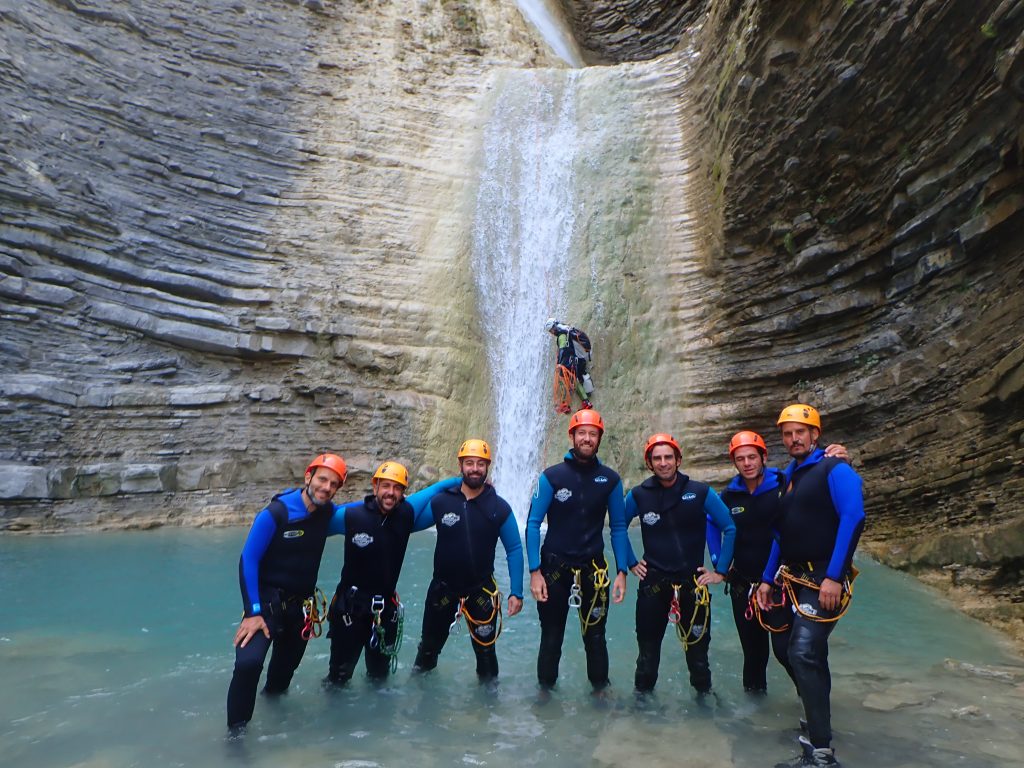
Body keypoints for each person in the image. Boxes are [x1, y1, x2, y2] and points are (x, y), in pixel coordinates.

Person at [756, 405, 864, 768]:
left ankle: (821, 753)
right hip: (793, 577)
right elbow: (780, 535)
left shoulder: (836, 468)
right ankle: (816, 721)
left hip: (823, 578)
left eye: (801, 431)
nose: (794, 438)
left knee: (803, 652)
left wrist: (833, 576)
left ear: (816, 435)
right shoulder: (789, 476)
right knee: (787, 649)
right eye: (787, 433)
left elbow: (853, 517)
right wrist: (767, 579)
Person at [719, 431, 851, 695]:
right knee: (753, 654)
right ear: (734, 462)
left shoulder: (785, 482)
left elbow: (820, 487)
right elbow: (713, 524)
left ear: (763, 457)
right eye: (740, 459)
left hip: (782, 582)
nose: (747, 463)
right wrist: (719, 562)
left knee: (790, 651)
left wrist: (842, 461)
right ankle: (755, 716)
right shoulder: (729, 496)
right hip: (743, 584)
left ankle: (812, 704)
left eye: (752, 457)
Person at [227, 453, 348, 732]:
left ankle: (275, 723)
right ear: (308, 477)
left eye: (333, 484)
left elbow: (360, 515)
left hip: (302, 609)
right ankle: (236, 738)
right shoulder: (276, 513)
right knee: (248, 665)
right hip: (266, 605)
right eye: (322, 479)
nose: (326, 487)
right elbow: (249, 560)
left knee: (281, 678)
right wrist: (252, 611)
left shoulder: (327, 513)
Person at [323, 462, 459, 686]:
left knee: (379, 676)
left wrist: (461, 482)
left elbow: (434, 493)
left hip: (385, 611)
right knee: (338, 677)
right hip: (351, 609)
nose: (391, 492)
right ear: (374, 486)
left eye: (397, 488)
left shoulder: (406, 516)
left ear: (403, 494)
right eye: (385, 486)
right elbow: (313, 526)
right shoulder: (351, 516)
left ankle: (376, 719)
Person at [624, 433, 736, 694]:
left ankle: (703, 715)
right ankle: (642, 718)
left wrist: (720, 572)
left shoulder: (699, 492)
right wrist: (629, 562)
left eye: (668, 457)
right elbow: (618, 525)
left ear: (678, 459)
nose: (663, 463)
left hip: (692, 586)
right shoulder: (639, 495)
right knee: (646, 659)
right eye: (657, 458)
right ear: (650, 463)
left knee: (698, 660)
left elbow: (729, 527)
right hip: (653, 586)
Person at [526, 408, 629, 690]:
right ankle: (545, 697)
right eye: (581, 433)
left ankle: (599, 695)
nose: (587, 438)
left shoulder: (610, 480)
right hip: (554, 571)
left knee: (596, 639)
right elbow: (533, 524)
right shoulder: (551, 477)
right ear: (572, 436)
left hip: (593, 571)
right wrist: (535, 571)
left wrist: (622, 571)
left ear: (599, 439)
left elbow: (618, 527)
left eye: (592, 434)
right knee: (551, 638)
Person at [412, 439, 524, 680]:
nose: (475, 468)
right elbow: (408, 522)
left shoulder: (499, 507)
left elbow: (514, 548)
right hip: (443, 589)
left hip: (481, 591)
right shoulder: (442, 501)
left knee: (486, 656)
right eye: (469, 463)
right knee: (427, 652)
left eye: (480, 464)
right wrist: (445, 484)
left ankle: (487, 709)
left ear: (487, 467)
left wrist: (517, 591)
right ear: (460, 466)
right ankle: (419, 707)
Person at [545, 318, 594, 409]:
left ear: (554, 327)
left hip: (576, 359)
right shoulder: (567, 329)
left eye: (551, 330)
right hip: (583, 357)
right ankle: (586, 398)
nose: (552, 333)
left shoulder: (562, 334)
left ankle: (579, 402)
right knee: (577, 377)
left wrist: (560, 364)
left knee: (569, 377)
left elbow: (563, 350)